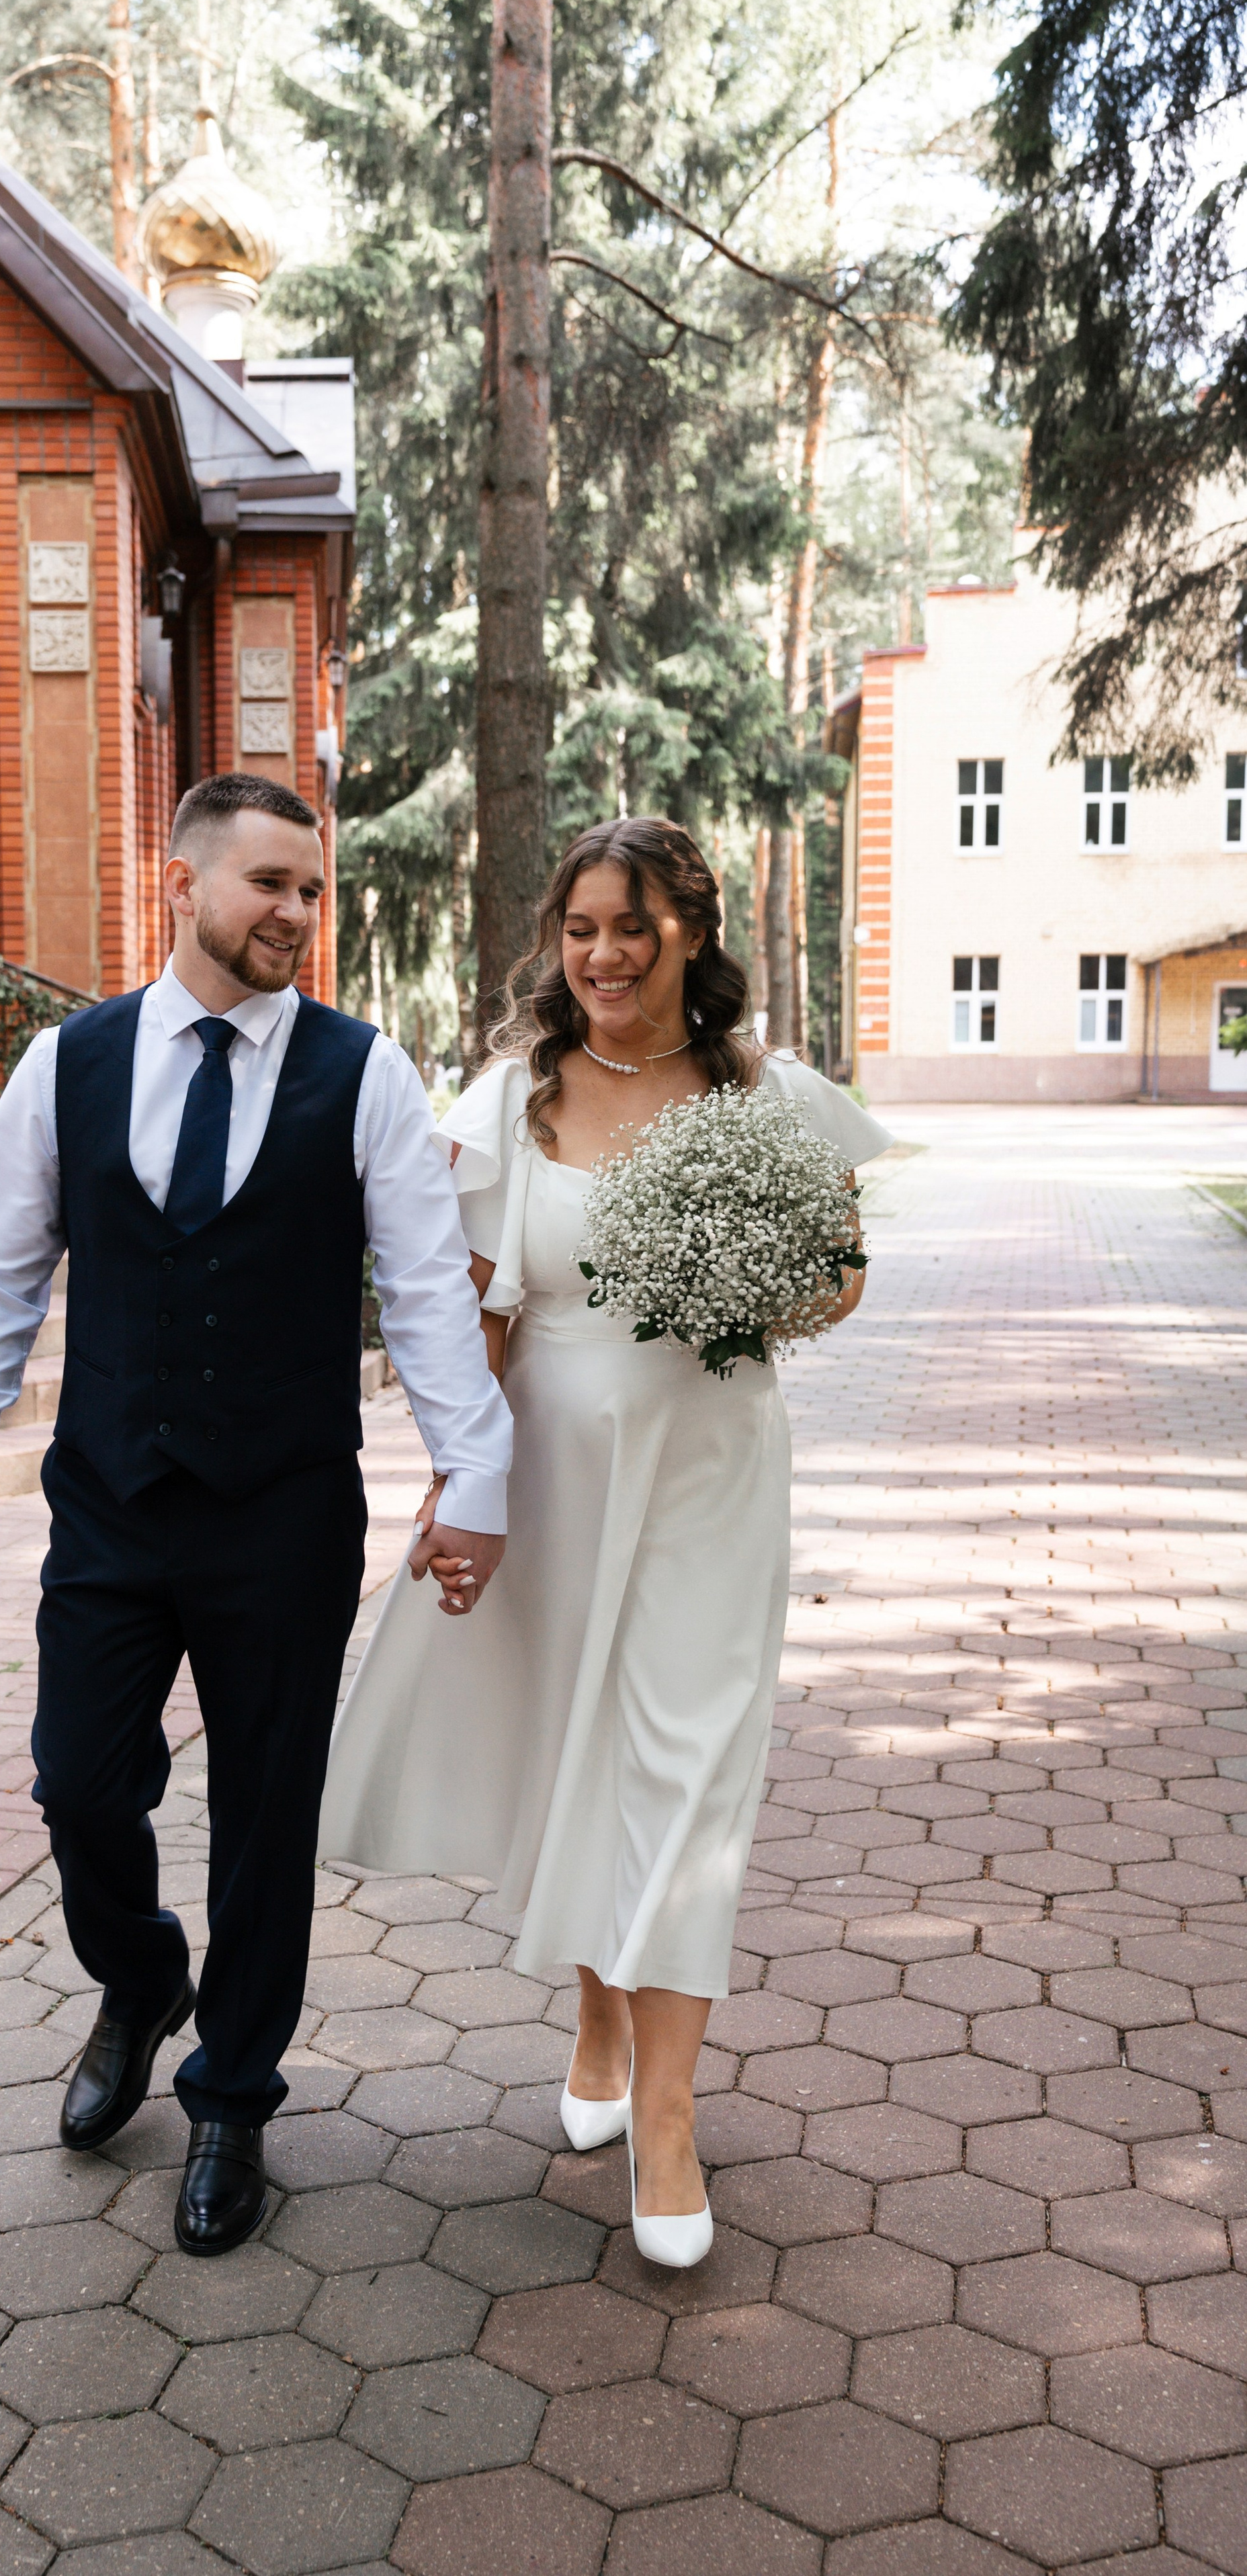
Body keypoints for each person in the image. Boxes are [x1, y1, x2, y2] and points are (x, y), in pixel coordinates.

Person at [0, 773, 513, 2257]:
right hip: (112, 1508)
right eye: (268, 884)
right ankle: (137, 1977)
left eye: (313, 892)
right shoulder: (69, 1063)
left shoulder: (363, 1073)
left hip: (285, 1513)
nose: (297, 916)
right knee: (76, 1780)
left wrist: (475, 1479)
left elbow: (430, 1296)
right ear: (176, 882)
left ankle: (232, 2097)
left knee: (264, 1817)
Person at [320, 816, 892, 2269]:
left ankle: (667, 2111)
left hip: (712, 1465)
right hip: (561, 1462)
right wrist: (461, 1484)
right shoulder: (512, 1100)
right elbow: (474, 1317)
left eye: (630, 927)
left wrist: (765, 1277)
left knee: (690, 1764)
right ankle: (593, 2005)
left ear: (690, 933)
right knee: (583, 1746)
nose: (601, 955)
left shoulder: (765, 1096)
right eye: (578, 928)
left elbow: (837, 1283)